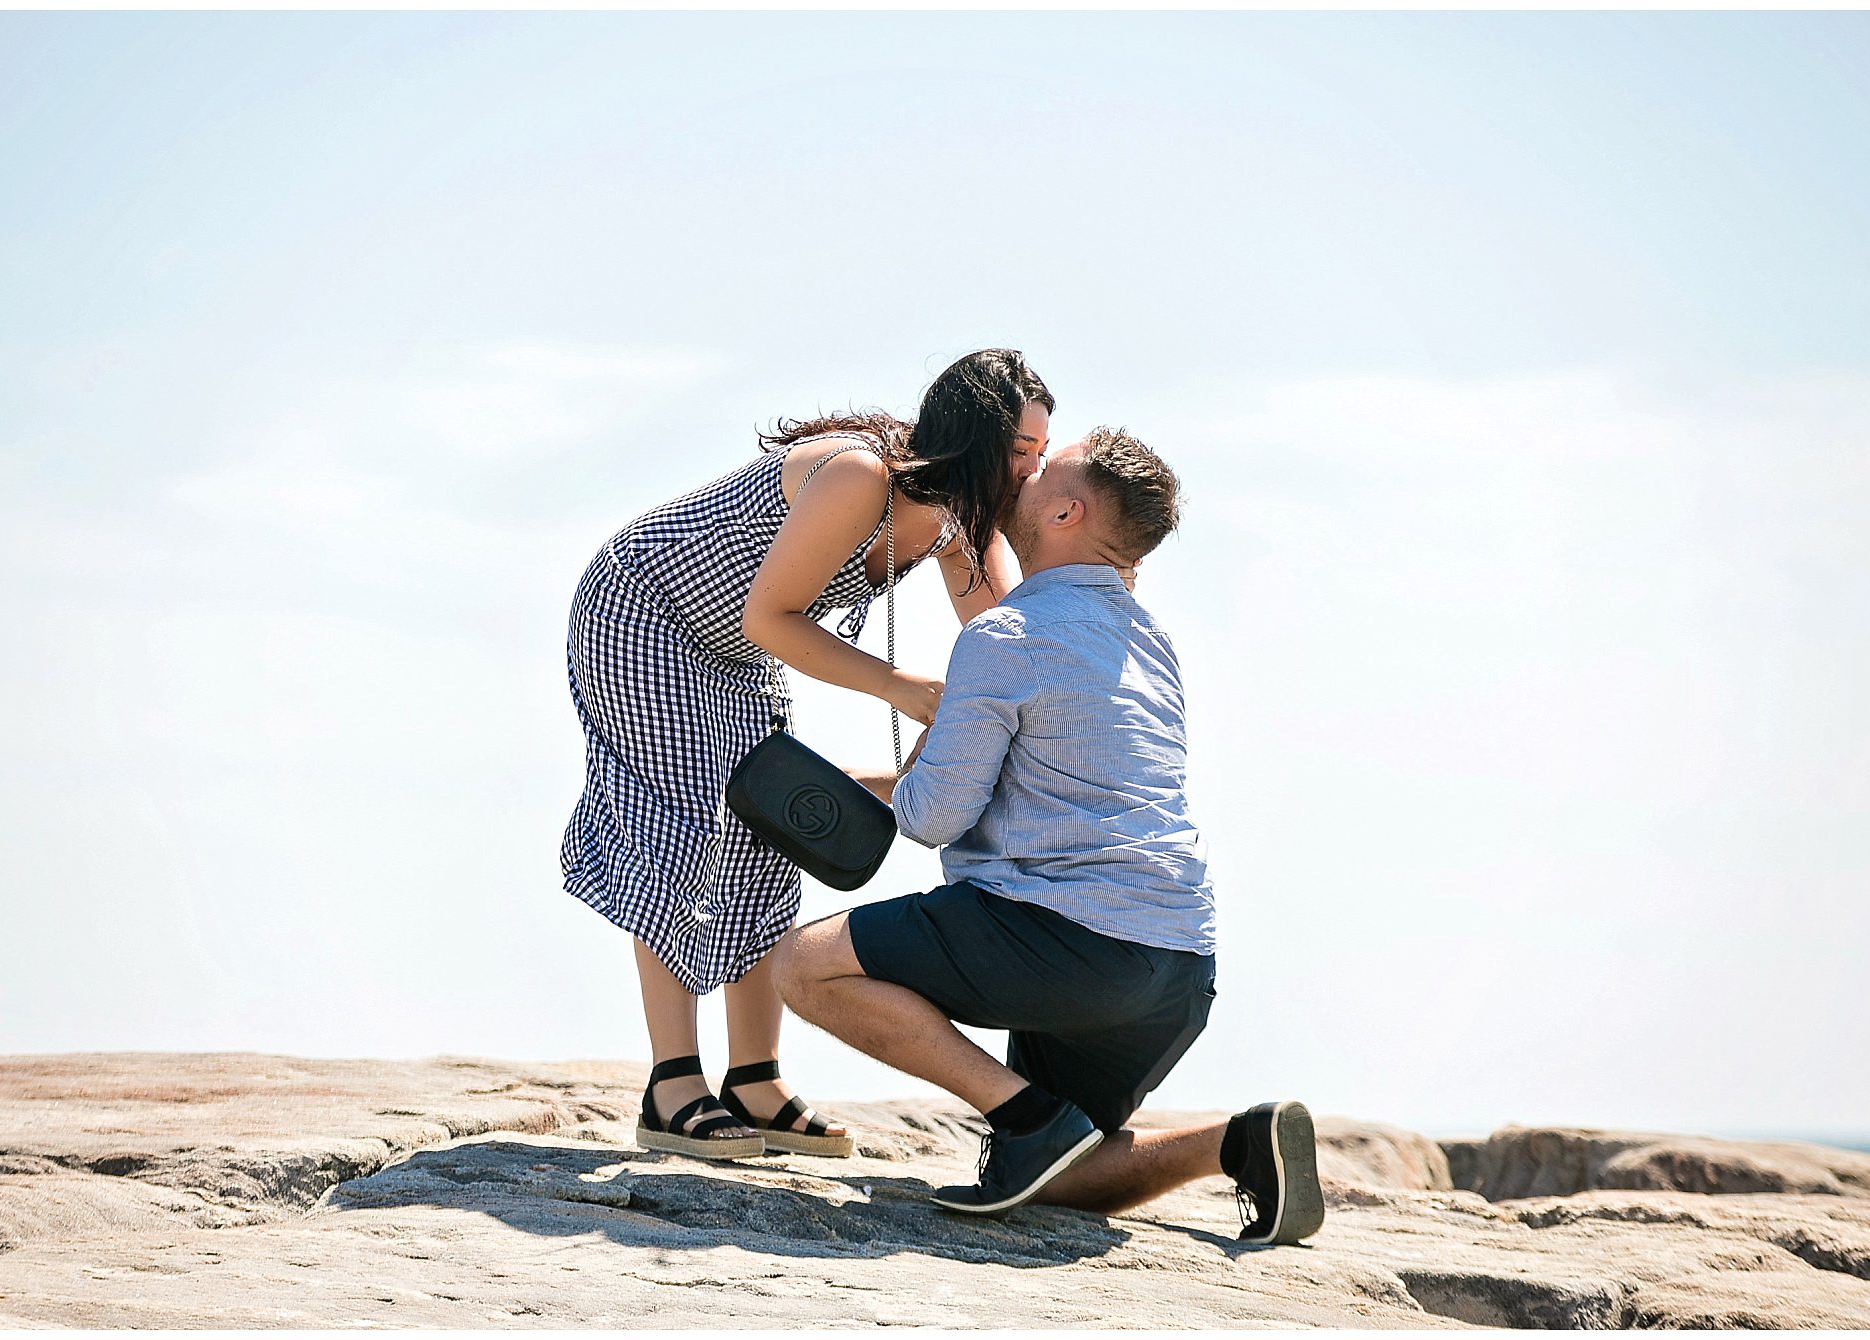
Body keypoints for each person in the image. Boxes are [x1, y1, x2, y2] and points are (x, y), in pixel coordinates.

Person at [771, 427, 1323, 1244]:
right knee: (1057, 1177)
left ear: (1066, 512)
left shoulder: (1006, 636)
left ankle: (1026, 1116)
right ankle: (1237, 1143)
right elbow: (1043, 787)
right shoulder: (1150, 640)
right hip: (1176, 967)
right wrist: (865, 783)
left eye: (1040, 472)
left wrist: (911, 768)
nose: (1020, 474)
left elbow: (930, 819)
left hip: (1068, 941)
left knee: (804, 965)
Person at [561, 350, 1055, 1161]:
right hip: (643, 613)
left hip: (735, 649)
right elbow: (771, 617)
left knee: (773, 821)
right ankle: (672, 1084)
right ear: (973, 438)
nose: (1031, 472)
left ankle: (754, 1080)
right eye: (1019, 453)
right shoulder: (861, 477)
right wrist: (899, 687)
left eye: (1041, 455)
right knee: (684, 823)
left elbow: (1007, 634)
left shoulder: (960, 519)